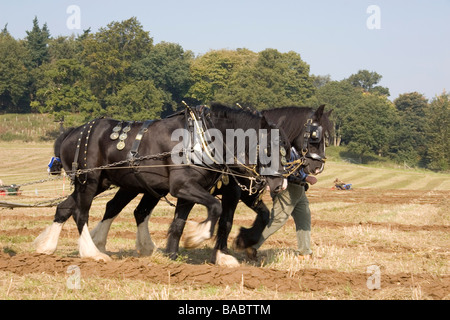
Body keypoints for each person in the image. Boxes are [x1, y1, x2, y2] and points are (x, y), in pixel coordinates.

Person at [249, 147, 318, 260]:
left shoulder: (299, 148)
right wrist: (306, 177)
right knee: (277, 221)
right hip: (287, 189)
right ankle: (251, 246)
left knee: (304, 219)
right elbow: (284, 170)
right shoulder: (284, 148)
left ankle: (304, 252)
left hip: (300, 189)